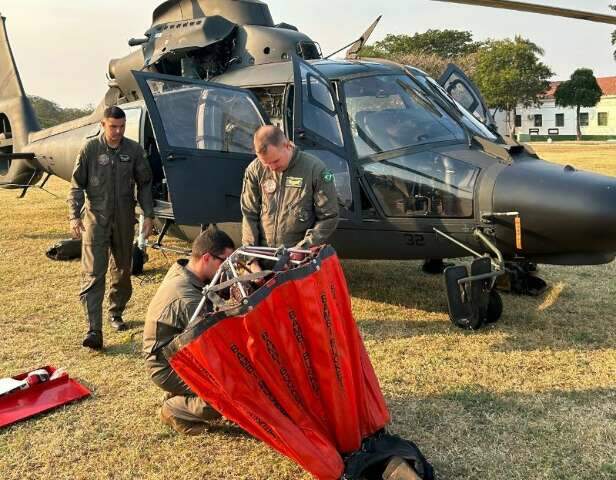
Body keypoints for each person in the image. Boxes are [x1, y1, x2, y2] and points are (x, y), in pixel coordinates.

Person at [68, 106, 154, 350]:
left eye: (122, 126)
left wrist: (148, 215)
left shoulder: (133, 150)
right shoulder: (90, 149)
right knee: (94, 273)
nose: (117, 131)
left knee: (123, 269)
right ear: (103, 125)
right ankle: (94, 329)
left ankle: (116, 311)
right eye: (113, 126)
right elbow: (76, 185)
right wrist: (74, 216)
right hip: (96, 219)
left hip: (125, 219)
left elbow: (145, 183)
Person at [143, 227, 235, 435]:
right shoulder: (187, 298)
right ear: (206, 258)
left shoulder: (185, 269)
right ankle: (175, 410)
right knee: (229, 394)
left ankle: (182, 395)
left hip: (175, 354)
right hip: (166, 366)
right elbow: (217, 338)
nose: (227, 270)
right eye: (224, 263)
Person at [241, 125, 339, 250]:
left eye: (276, 161)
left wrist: (303, 247)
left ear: (287, 146)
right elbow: (249, 214)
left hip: (298, 257)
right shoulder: (254, 169)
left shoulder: (315, 169)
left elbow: (329, 216)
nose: (272, 168)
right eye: (265, 163)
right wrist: (251, 257)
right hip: (263, 253)